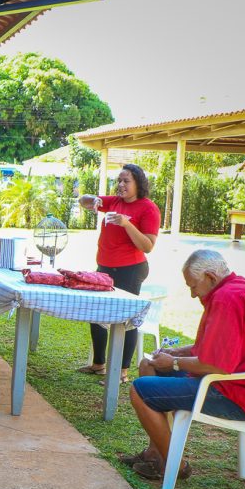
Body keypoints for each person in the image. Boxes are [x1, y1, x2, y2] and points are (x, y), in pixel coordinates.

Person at [124, 250, 245, 480]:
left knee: (138, 390)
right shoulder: (239, 287)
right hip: (244, 385)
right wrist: (177, 352)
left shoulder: (226, 299)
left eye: (193, 286)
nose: (192, 294)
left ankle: (175, 465)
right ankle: (155, 454)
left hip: (234, 393)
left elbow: (216, 366)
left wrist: (176, 363)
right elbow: (223, 346)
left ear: (210, 277)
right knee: (148, 364)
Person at [76, 163, 161, 383]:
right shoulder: (114, 202)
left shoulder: (148, 208)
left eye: (126, 181)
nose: (121, 185)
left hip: (130, 270)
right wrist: (92, 200)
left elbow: (148, 246)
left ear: (138, 183)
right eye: (119, 181)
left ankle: (122, 372)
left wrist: (126, 224)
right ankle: (99, 364)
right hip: (105, 267)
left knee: (125, 319)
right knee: (96, 313)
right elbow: (82, 200)